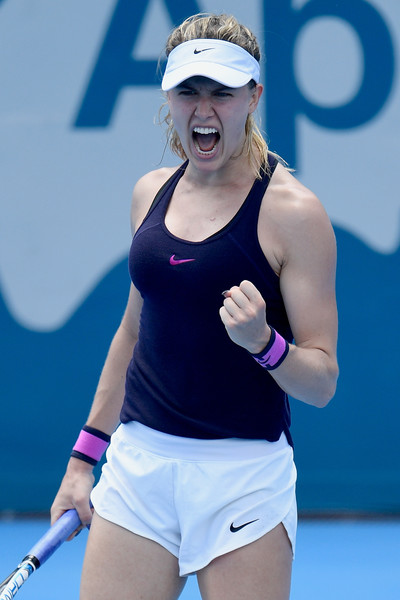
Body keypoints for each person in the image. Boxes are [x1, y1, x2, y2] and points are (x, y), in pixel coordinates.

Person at [51, 12, 338, 600]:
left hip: (244, 480)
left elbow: (323, 381)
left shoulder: (294, 213)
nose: (203, 110)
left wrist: (266, 344)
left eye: (222, 93)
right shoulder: (148, 193)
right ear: (168, 97)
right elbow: (133, 336)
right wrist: (85, 458)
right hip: (139, 470)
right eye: (188, 91)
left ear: (253, 96)